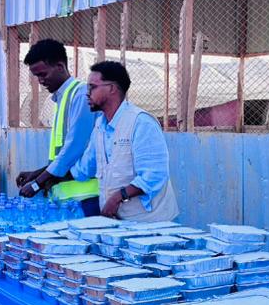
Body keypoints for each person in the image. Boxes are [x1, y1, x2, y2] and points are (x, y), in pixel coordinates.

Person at [68, 61, 178, 221]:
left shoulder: (141, 122)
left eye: (92, 87)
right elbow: (85, 168)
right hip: (119, 222)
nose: (87, 93)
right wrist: (49, 177)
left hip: (151, 223)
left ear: (112, 89)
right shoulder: (100, 125)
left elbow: (154, 174)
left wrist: (117, 198)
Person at [15, 39, 100, 216]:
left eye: (43, 74)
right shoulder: (62, 98)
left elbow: (75, 148)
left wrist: (38, 182)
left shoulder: (80, 95)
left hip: (85, 196)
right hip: (68, 197)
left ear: (60, 66)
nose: (40, 81)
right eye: (37, 76)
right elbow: (61, 154)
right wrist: (36, 173)